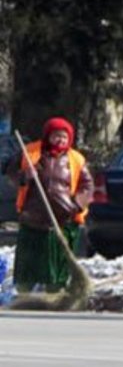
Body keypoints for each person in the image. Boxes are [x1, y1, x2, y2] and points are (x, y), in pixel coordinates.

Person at [6, 117, 93, 293]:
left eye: (64, 137)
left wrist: (75, 205)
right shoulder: (31, 153)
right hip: (33, 219)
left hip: (63, 222)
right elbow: (11, 175)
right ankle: (24, 294)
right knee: (28, 266)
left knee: (57, 266)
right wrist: (25, 176)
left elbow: (88, 186)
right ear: (48, 136)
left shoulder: (76, 159)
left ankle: (55, 293)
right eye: (56, 136)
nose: (60, 140)